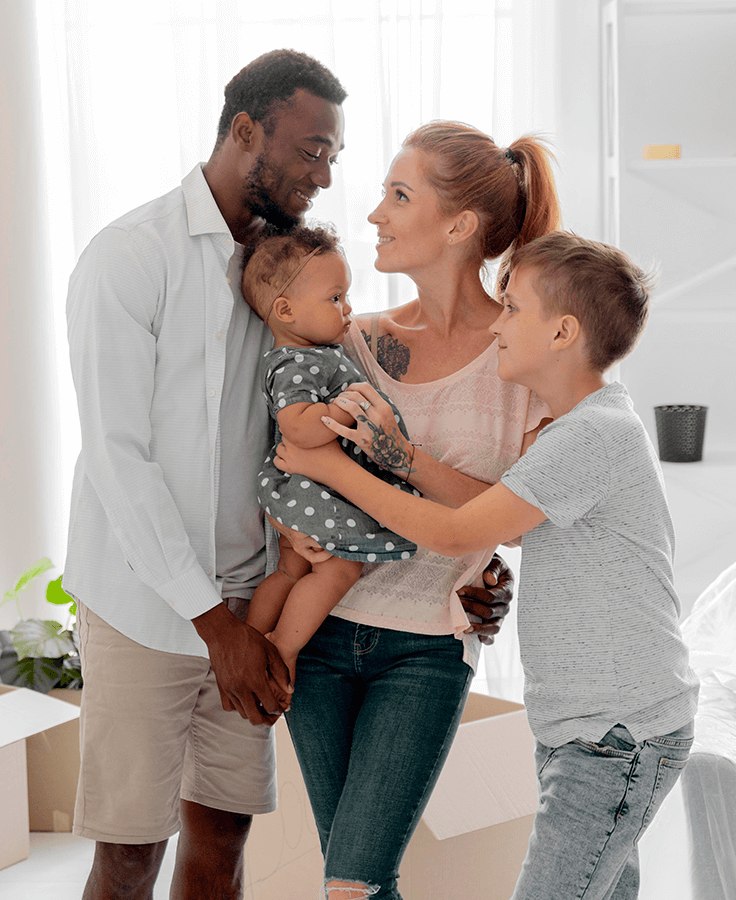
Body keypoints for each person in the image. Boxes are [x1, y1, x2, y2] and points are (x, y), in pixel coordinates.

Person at [62, 55, 512, 900]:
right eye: (313, 150)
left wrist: (479, 560)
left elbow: (412, 442)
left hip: (251, 602)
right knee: (128, 857)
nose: (326, 175)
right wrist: (214, 627)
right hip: (148, 606)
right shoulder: (130, 258)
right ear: (245, 132)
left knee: (223, 846)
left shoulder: (291, 279)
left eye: (335, 156)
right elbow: (118, 460)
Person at [276, 231, 699, 900]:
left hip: (615, 736)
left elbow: (453, 533)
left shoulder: (593, 436)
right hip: (593, 731)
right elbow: (489, 510)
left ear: (562, 332)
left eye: (512, 308)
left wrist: (326, 465)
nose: (496, 322)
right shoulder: (576, 429)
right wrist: (401, 458)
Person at [277, 121, 561, 900]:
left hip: (428, 647)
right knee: (353, 881)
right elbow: (292, 461)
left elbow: (520, 516)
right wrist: (288, 529)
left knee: (353, 882)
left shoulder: (523, 357)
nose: (374, 214)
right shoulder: (352, 340)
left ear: (459, 226)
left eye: (398, 196)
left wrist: (408, 464)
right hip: (324, 634)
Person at [241, 223, 427, 687]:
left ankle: (253, 635)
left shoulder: (312, 355)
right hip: (311, 487)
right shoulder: (296, 362)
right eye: (335, 298)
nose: (348, 310)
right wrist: (346, 410)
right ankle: (282, 647)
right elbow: (298, 427)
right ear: (285, 310)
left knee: (291, 568)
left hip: (303, 490)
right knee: (339, 568)